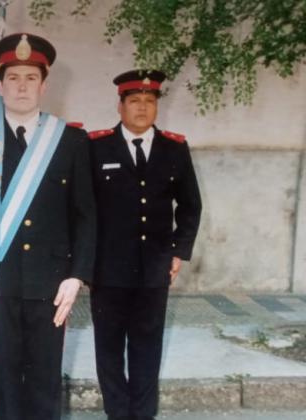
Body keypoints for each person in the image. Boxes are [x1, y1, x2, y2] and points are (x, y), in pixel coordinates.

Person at [0, 33, 96, 420]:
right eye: (13, 77)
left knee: (45, 378)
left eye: (30, 78)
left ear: (44, 85)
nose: (21, 86)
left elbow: (86, 215)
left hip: (51, 284)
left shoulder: (70, 141)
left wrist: (77, 276)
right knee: (1, 376)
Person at [88, 69, 202, 420]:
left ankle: (142, 415)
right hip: (107, 268)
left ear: (157, 108)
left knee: (147, 348)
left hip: (154, 268)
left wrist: (179, 250)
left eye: (149, 102)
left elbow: (190, 204)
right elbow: (82, 208)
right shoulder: (95, 146)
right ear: (120, 106)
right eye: (134, 101)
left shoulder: (174, 148)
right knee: (108, 349)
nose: (142, 108)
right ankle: (117, 414)